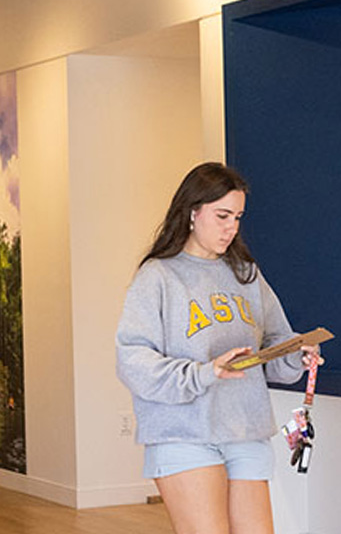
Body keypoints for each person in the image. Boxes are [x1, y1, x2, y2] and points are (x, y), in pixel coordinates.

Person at [116, 162, 323, 534]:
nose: (232, 227)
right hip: (183, 434)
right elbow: (132, 360)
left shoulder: (246, 273)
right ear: (192, 212)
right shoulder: (158, 277)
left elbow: (275, 340)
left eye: (238, 217)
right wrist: (204, 372)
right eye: (222, 215)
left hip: (245, 430)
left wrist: (296, 354)